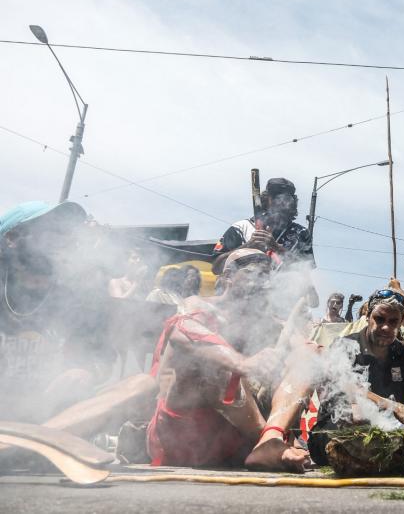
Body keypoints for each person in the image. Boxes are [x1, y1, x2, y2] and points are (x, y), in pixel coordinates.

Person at [146, 248, 310, 471]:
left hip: (234, 442)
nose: (261, 282)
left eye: (266, 275)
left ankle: (270, 439)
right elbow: (180, 329)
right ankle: (268, 441)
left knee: (306, 362)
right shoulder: (198, 305)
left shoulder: (266, 322)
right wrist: (241, 363)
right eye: (253, 273)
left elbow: (311, 354)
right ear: (229, 276)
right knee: (214, 366)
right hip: (179, 434)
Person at [306, 291, 404, 464]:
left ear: (400, 322)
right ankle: (396, 453)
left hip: (390, 431)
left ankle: (403, 449)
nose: (386, 327)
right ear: (367, 317)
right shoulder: (345, 346)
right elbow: (347, 386)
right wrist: (396, 407)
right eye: (379, 319)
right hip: (339, 427)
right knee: (358, 416)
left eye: (393, 321)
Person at [0, 201, 119, 421]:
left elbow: (102, 359)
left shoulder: (79, 298)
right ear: (12, 239)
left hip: (50, 420)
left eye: (66, 232)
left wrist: (87, 372)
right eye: (53, 231)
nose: (65, 240)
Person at [213, 177, 314, 266]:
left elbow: (306, 270)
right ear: (266, 199)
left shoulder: (300, 233)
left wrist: (275, 247)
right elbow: (216, 267)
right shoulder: (241, 228)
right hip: (241, 285)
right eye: (276, 198)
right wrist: (248, 246)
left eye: (287, 199)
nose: (282, 203)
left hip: (283, 286)